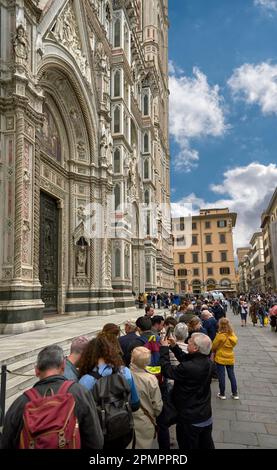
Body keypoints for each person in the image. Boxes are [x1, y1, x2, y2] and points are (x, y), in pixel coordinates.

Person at [2, 345, 103, 449]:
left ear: (36, 371)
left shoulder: (21, 403)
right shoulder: (80, 393)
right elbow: (96, 442)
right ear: (63, 367)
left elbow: (6, 443)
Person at [78, 335, 140, 449]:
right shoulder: (125, 372)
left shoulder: (85, 381)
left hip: (100, 435)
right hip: (124, 429)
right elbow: (135, 404)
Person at [159, 333, 215, 450]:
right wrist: (174, 346)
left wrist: (164, 349)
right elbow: (186, 359)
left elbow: (167, 370)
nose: (187, 342)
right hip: (204, 414)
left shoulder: (189, 367)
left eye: (189, 342)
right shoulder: (207, 362)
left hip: (190, 418)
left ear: (195, 348)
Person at [129, 347, 163, 449]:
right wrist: (155, 414)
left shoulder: (123, 375)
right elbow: (157, 405)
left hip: (127, 419)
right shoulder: (150, 379)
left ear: (132, 359)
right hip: (145, 420)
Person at [212, 318, 239, 400]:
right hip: (230, 356)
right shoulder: (232, 335)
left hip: (220, 357)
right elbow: (234, 344)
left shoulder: (219, 335)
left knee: (221, 376)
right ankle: (235, 393)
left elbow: (214, 346)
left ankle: (222, 394)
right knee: (232, 375)